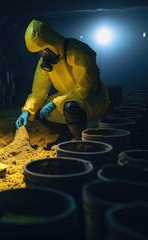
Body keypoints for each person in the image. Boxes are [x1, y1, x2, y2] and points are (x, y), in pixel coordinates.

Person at [15, 19, 110, 149]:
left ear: (52, 44)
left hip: (92, 98)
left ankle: (79, 141)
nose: (41, 55)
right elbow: (38, 91)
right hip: (66, 99)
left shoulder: (78, 52)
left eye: (42, 50)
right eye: (39, 52)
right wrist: (26, 111)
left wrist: (55, 103)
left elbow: (84, 88)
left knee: (71, 107)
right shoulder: (46, 61)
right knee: (36, 109)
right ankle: (66, 135)